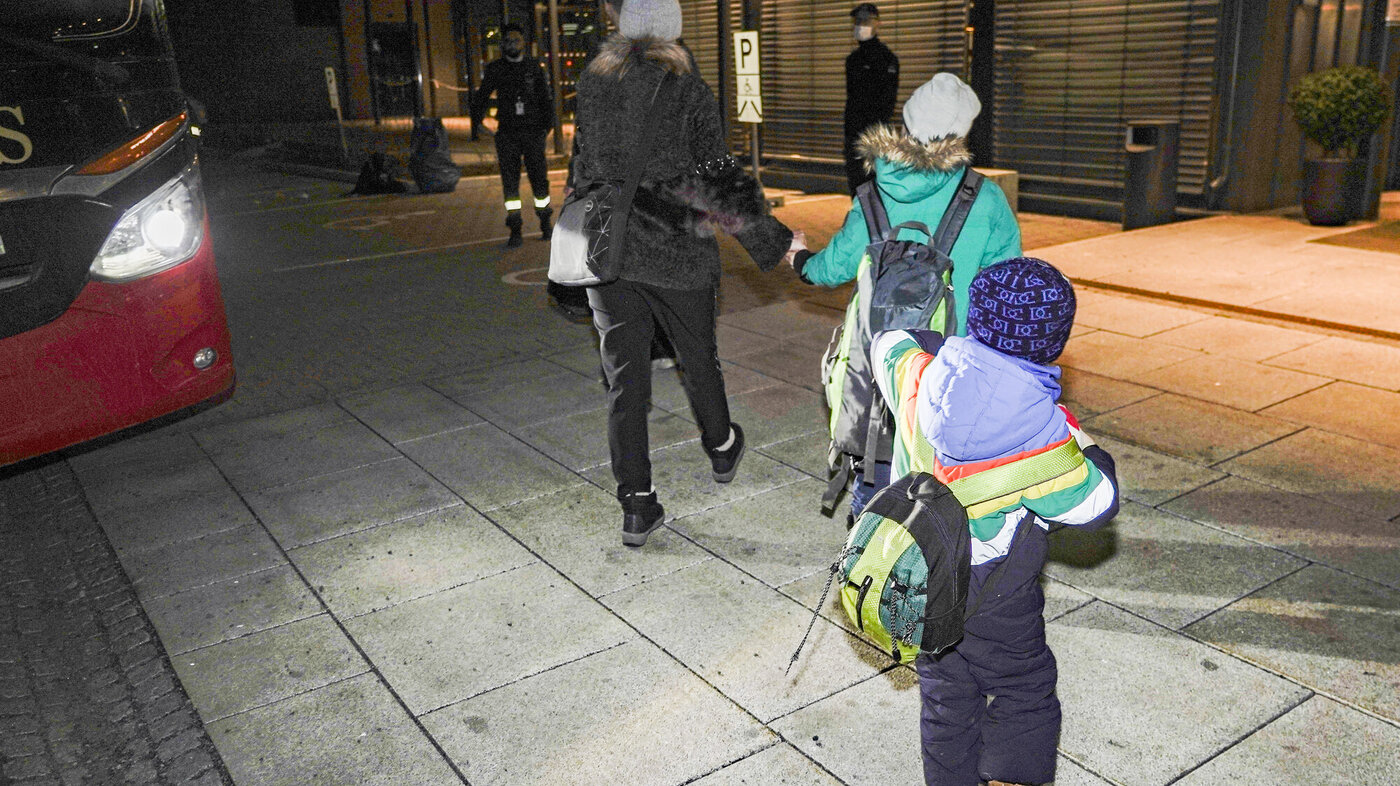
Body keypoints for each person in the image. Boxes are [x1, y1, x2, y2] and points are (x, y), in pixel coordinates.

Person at [869, 257, 1120, 786]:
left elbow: (887, 340)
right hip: (996, 588)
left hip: (919, 573)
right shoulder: (1050, 435)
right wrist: (1090, 447)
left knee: (944, 695)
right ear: (1055, 344)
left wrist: (946, 347)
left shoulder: (916, 375)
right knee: (1022, 686)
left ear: (975, 323)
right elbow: (1094, 504)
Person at [571, 0, 799, 546]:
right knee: (698, 359)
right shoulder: (687, 90)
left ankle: (636, 503)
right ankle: (721, 447)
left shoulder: (592, 84)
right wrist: (775, 241)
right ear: (672, 29)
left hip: (612, 252)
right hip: (677, 253)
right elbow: (717, 178)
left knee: (626, 382)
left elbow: (583, 168)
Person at [792, 71, 1022, 520]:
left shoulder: (875, 191)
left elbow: (832, 268)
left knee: (876, 456)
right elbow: (1006, 285)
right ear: (963, 133)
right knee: (942, 465)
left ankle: (867, 553)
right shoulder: (987, 198)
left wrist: (800, 260)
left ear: (907, 122)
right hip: (953, 360)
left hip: (880, 354)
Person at [471, 22, 555, 248]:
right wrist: (477, 124)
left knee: (539, 179)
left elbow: (545, 98)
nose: (512, 44)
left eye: (516, 40)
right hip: (507, 133)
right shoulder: (496, 69)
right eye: (508, 41)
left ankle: (546, 223)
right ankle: (515, 228)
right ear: (502, 45)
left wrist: (547, 126)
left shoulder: (534, 67)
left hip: (533, 131)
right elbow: (481, 97)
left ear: (523, 43)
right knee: (510, 183)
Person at [843, 3, 899, 195]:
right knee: (856, 188)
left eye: (865, 21)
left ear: (878, 24)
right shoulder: (853, 60)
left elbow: (887, 102)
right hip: (853, 135)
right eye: (857, 21)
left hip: (874, 137)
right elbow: (852, 99)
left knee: (874, 189)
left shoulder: (886, 59)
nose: (860, 25)